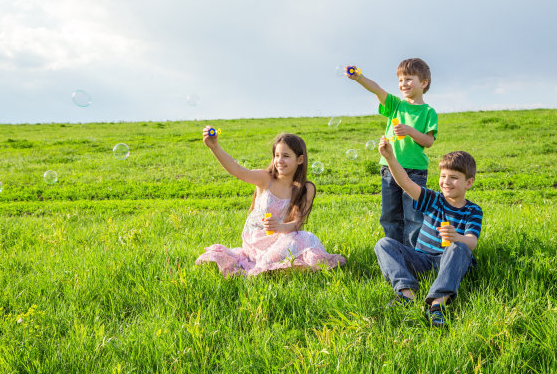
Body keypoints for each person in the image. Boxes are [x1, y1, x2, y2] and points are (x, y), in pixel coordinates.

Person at [195, 128, 346, 277]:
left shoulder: (306, 188)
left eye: (286, 156)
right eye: (277, 155)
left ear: (300, 159)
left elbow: (297, 224)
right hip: (256, 239)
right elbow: (237, 170)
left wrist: (280, 227)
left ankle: (274, 268)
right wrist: (214, 147)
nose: (279, 160)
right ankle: (266, 268)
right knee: (296, 246)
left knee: (307, 237)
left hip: (281, 236)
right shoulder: (265, 179)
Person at [375, 138, 483, 328]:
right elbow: (406, 183)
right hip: (422, 260)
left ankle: (437, 305)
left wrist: (457, 238)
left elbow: (472, 242)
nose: (446, 182)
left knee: (460, 248)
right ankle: (407, 292)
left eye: (454, 178)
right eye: (443, 176)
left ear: (469, 183)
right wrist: (390, 158)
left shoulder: (473, 211)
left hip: (448, 263)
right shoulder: (433, 199)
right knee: (384, 244)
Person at [347, 58, 438, 249]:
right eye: (400, 80)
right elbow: (377, 89)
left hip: (415, 171)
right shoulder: (396, 105)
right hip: (389, 169)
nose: (403, 84)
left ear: (423, 83)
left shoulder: (428, 112)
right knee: (390, 216)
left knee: (414, 217)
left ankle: (414, 256)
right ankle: (394, 253)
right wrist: (359, 77)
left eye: (408, 79)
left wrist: (410, 131)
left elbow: (429, 141)